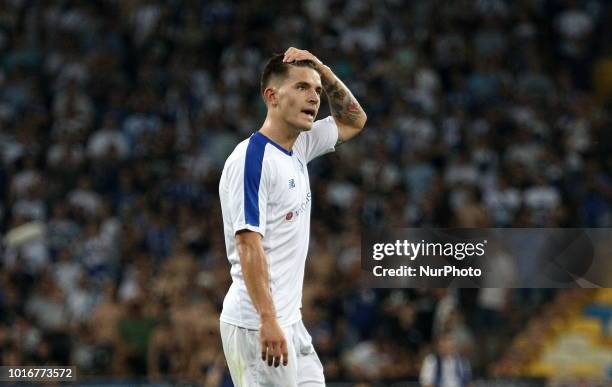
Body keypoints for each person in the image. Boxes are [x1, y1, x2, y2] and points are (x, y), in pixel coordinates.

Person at [218, 47, 367, 386]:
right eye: (302, 87)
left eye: (316, 90)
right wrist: (268, 320)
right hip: (257, 323)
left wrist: (323, 71)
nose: (314, 97)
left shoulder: (299, 145)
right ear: (271, 96)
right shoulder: (251, 159)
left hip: (290, 320)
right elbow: (247, 245)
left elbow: (354, 120)